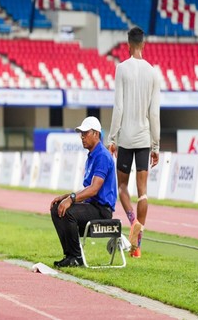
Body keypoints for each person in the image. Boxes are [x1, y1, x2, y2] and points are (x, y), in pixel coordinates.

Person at [107, 26, 161, 259]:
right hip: (144, 138)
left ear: (128, 44)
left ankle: (132, 221)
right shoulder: (152, 72)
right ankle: (137, 246)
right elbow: (155, 113)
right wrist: (156, 145)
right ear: (144, 44)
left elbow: (118, 106)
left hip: (126, 138)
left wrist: (111, 137)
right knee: (143, 193)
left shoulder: (121, 68)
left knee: (122, 188)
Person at [50, 116, 117, 267]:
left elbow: (93, 190)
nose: (82, 137)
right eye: (81, 133)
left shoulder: (102, 156)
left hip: (102, 211)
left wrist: (71, 199)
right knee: (57, 208)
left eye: (85, 133)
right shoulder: (93, 155)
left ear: (96, 134)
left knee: (68, 211)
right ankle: (70, 255)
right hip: (92, 207)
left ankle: (76, 257)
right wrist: (65, 197)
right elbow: (88, 189)